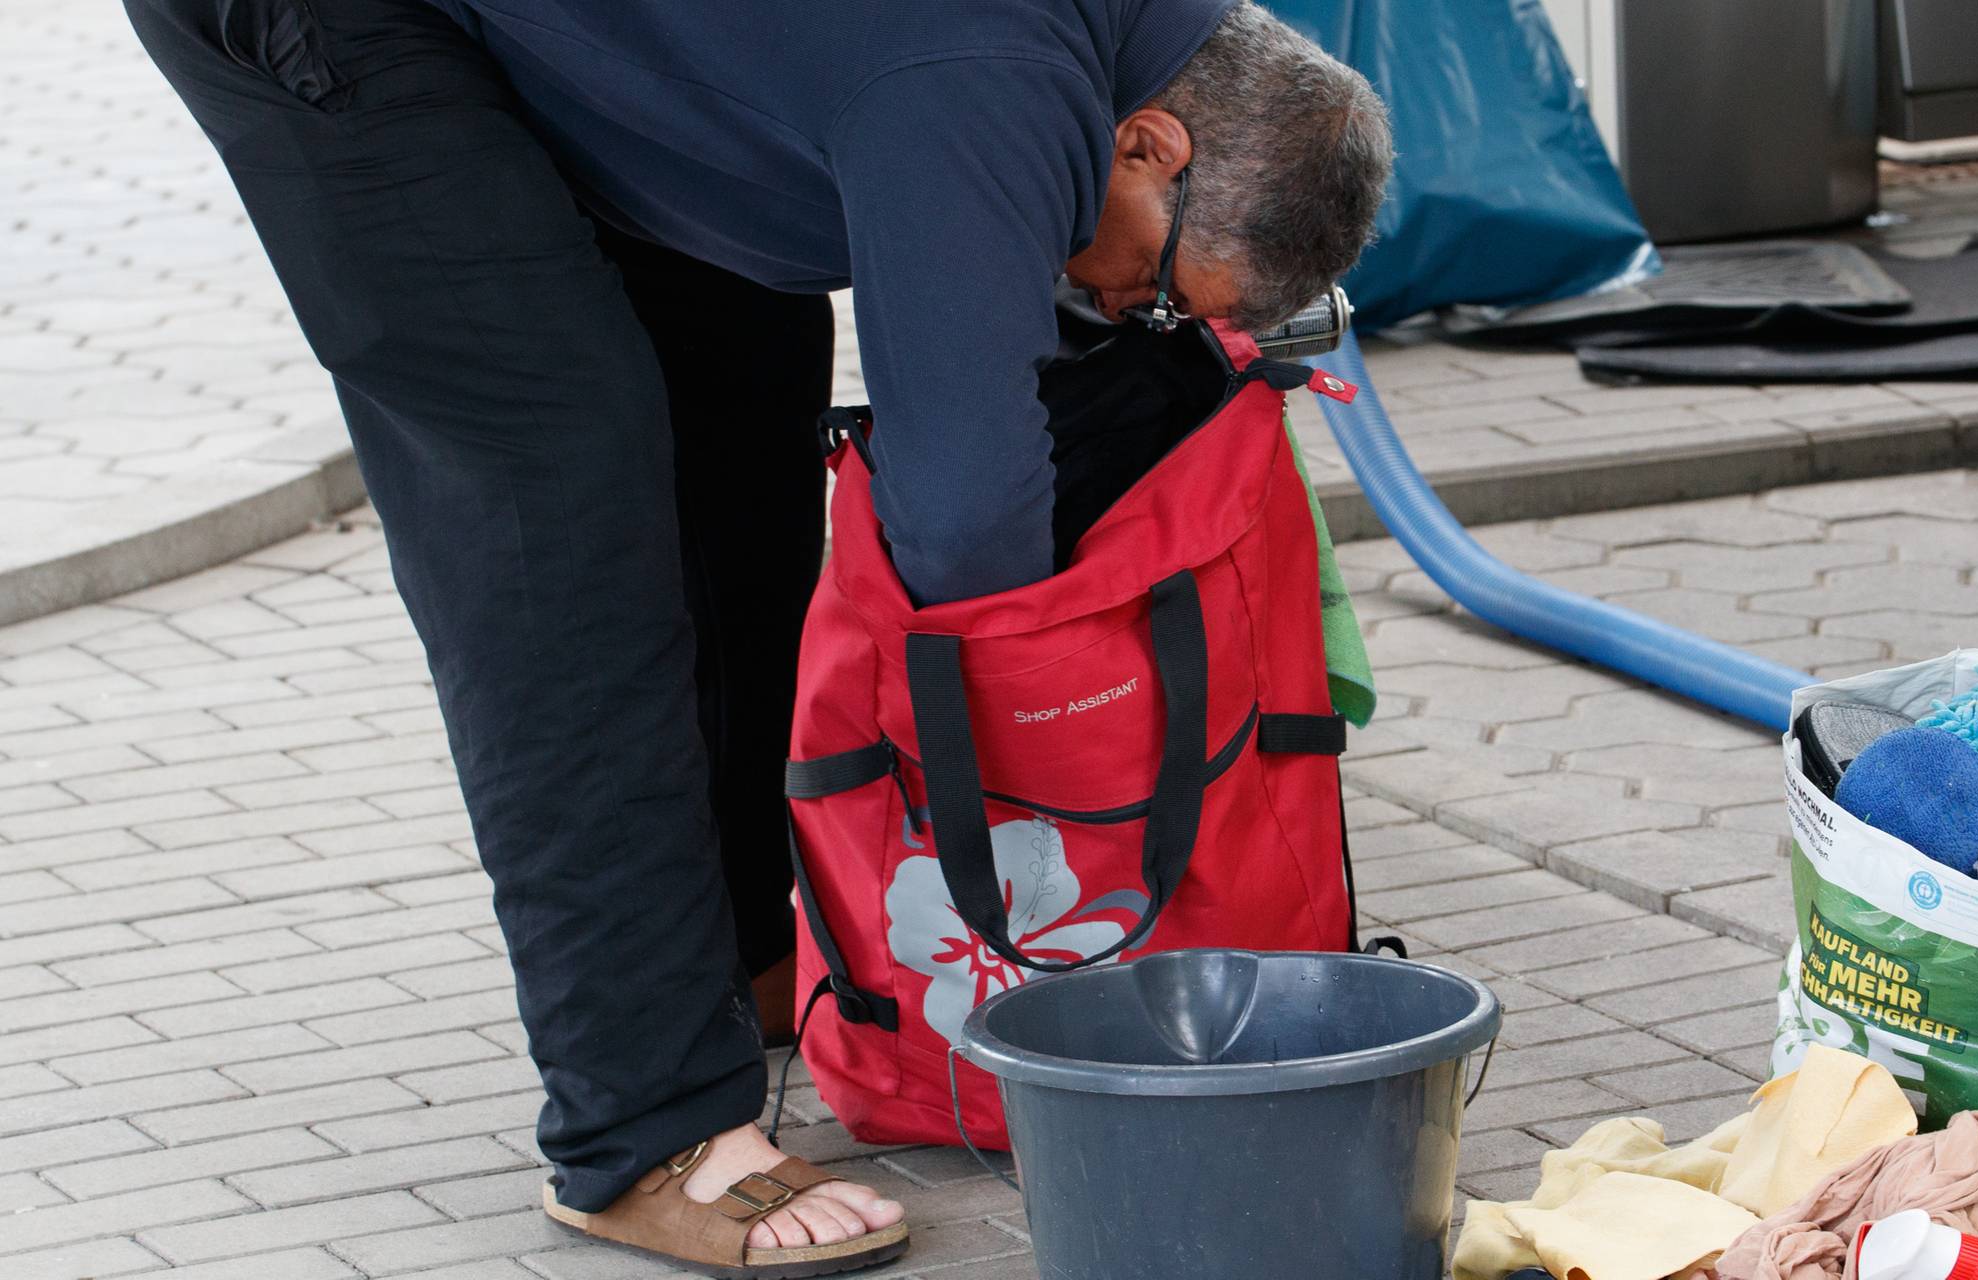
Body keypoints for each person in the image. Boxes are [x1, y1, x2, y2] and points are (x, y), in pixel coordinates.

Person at [118, 0, 1390, 1273]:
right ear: (1153, 145)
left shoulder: (1080, 65)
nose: (1125, 307)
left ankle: (752, 952)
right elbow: (960, 521)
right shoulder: (980, 75)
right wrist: (1071, 737)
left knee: (746, 364)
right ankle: (642, 1127)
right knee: (556, 483)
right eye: (1162, 292)